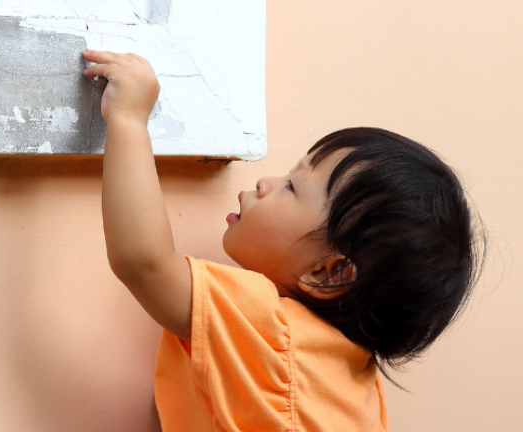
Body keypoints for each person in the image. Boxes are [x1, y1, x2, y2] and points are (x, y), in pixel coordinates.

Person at [82, 49, 483, 431]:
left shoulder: (277, 338)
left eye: (292, 186)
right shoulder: (351, 375)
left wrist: (129, 118)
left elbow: (144, 262)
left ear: (328, 273)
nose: (265, 182)